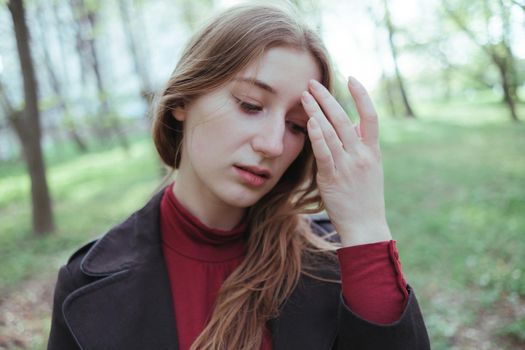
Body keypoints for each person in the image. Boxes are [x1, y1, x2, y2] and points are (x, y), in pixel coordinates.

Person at [47, 3, 430, 350]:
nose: (273, 144)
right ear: (182, 99)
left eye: (296, 125)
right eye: (250, 105)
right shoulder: (85, 282)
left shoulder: (335, 262)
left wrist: (366, 229)